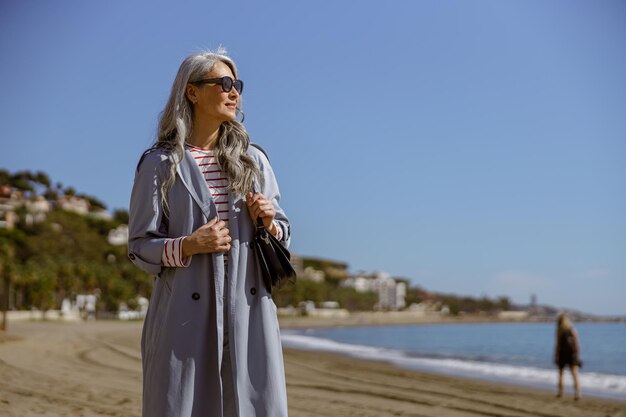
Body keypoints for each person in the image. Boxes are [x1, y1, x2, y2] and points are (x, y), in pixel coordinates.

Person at [127, 48, 291, 417]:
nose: (235, 93)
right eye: (225, 83)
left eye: (238, 85)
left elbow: (284, 235)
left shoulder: (254, 160)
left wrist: (269, 223)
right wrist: (188, 245)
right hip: (182, 318)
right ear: (192, 92)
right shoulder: (159, 163)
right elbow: (139, 246)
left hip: (249, 315)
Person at [554, 313, 581, 400]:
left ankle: (560, 392)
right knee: (574, 374)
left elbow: (557, 345)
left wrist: (556, 355)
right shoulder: (572, 329)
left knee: (561, 374)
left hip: (562, 353)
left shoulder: (559, 330)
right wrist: (577, 355)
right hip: (572, 354)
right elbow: (577, 344)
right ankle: (577, 393)